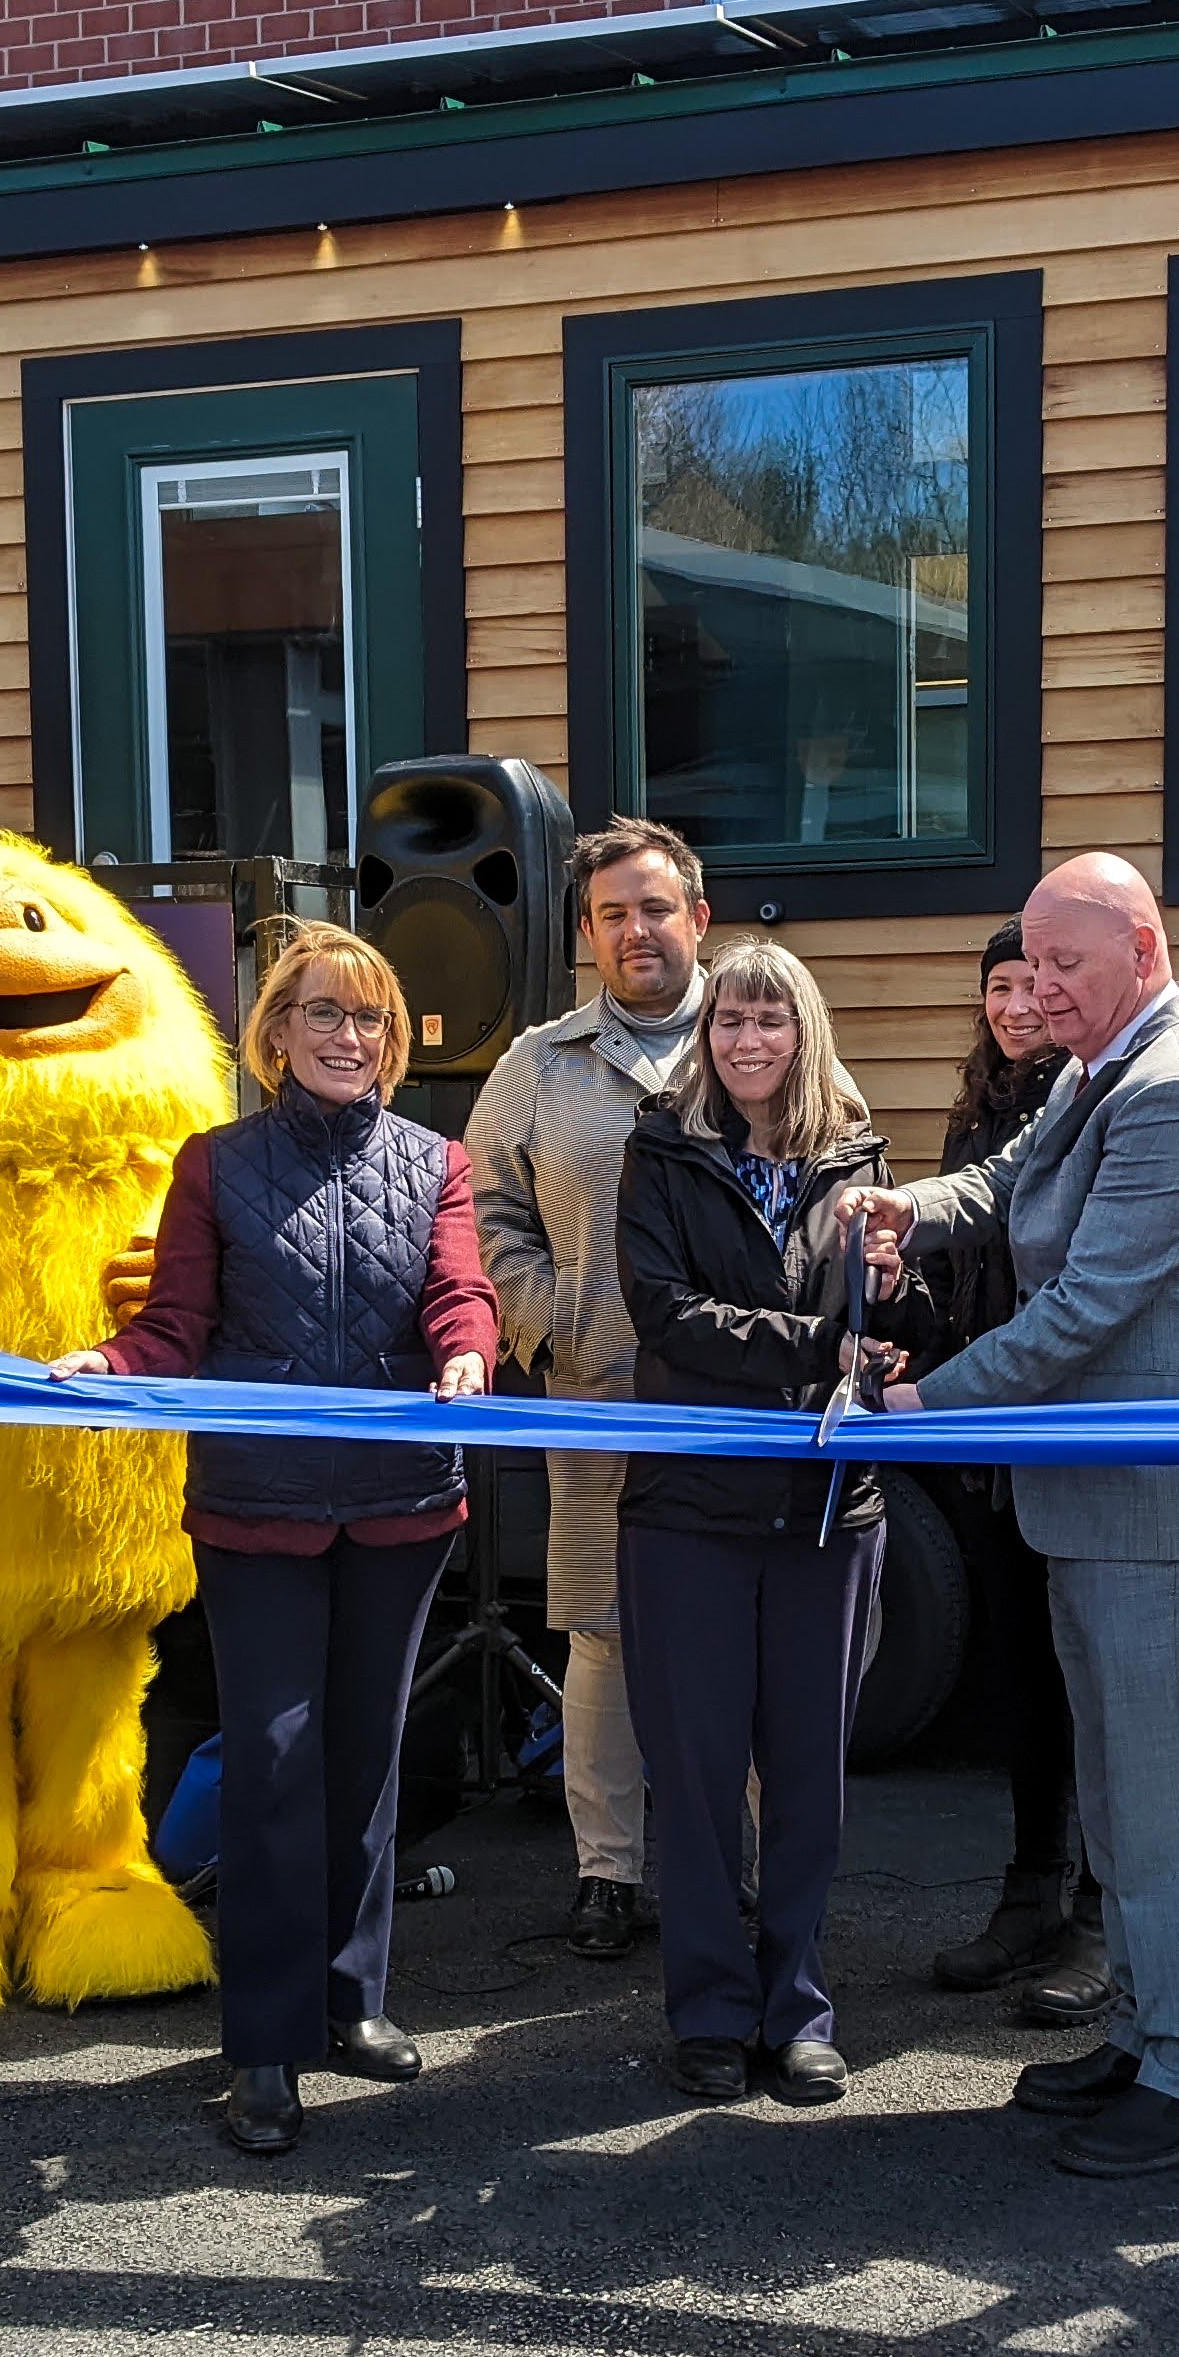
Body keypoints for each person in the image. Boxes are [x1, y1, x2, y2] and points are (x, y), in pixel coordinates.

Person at [844, 853, 1179, 2178]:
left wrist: (927, 1410)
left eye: (1065, 968)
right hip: (1100, 1507)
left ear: (1142, 947)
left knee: (1166, 1811)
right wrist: (903, 1203)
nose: (1041, 994)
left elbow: (1084, 1312)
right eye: (1030, 971)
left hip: (1160, 1512)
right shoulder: (1109, 1066)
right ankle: (1146, 2037)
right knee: (1121, 1798)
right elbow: (1005, 1181)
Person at [51, 925, 495, 2156]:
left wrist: (468, 1351)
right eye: (323, 1016)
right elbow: (173, 1322)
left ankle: (352, 2004)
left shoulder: (437, 1160)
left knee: (364, 1762)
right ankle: (262, 2045)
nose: (347, 1038)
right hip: (257, 1511)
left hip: (402, 1505)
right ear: (276, 1035)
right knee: (276, 1765)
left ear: (393, 1043)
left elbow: (460, 1290)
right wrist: (110, 1364)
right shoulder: (213, 1164)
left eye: (369, 1020)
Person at [611, 943, 934, 2105]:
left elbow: (897, 1316)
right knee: (694, 1781)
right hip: (686, 1512)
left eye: (770, 1021)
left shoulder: (858, 1152)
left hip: (829, 1512)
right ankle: (707, 2011)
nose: (747, 1042)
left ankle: (798, 2007)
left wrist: (893, 1294)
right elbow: (667, 1316)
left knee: (809, 1778)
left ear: (806, 1033)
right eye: (729, 1022)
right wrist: (820, 1344)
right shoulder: (660, 1150)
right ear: (706, 1037)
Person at [467, 817, 713, 1958]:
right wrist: (543, 1316)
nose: (635, 932)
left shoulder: (761, 1031)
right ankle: (607, 1873)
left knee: (738, 1640)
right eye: (612, 915)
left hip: (735, 1409)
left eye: (654, 909)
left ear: (697, 919)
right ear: (588, 937)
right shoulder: (538, 1063)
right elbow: (483, 1210)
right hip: (596, 1391)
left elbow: (837, 1164)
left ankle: (736, 1868)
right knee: (602, 1640)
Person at [917, 920, 1104, 2018]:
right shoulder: (978, 1106)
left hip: (1062, 1419)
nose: (1016, 1003)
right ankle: (1031, 1895)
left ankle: (1095, 1917)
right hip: (979, 1427)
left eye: (1036, 982)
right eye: (999, 985)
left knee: (1091, 1680)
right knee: (1021, 1678)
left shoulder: (1092, 1098)